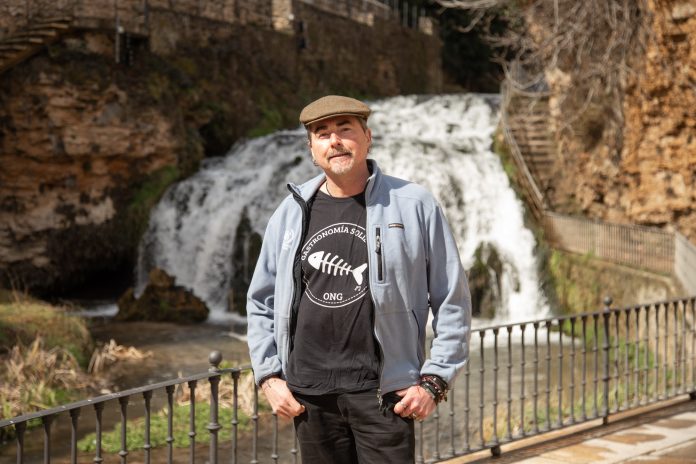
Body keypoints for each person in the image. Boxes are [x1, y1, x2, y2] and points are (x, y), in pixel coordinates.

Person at [246, 95, 471, 463]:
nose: (334, 140)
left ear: (367, 136)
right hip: (309, 396)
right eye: (322, 133)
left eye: (344, 129)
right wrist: (269, 376)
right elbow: (261, 301)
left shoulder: (414, 204)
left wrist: (435, 380)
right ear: (312, 149)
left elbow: (452, 298)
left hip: (383, 394)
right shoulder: (290, 211)